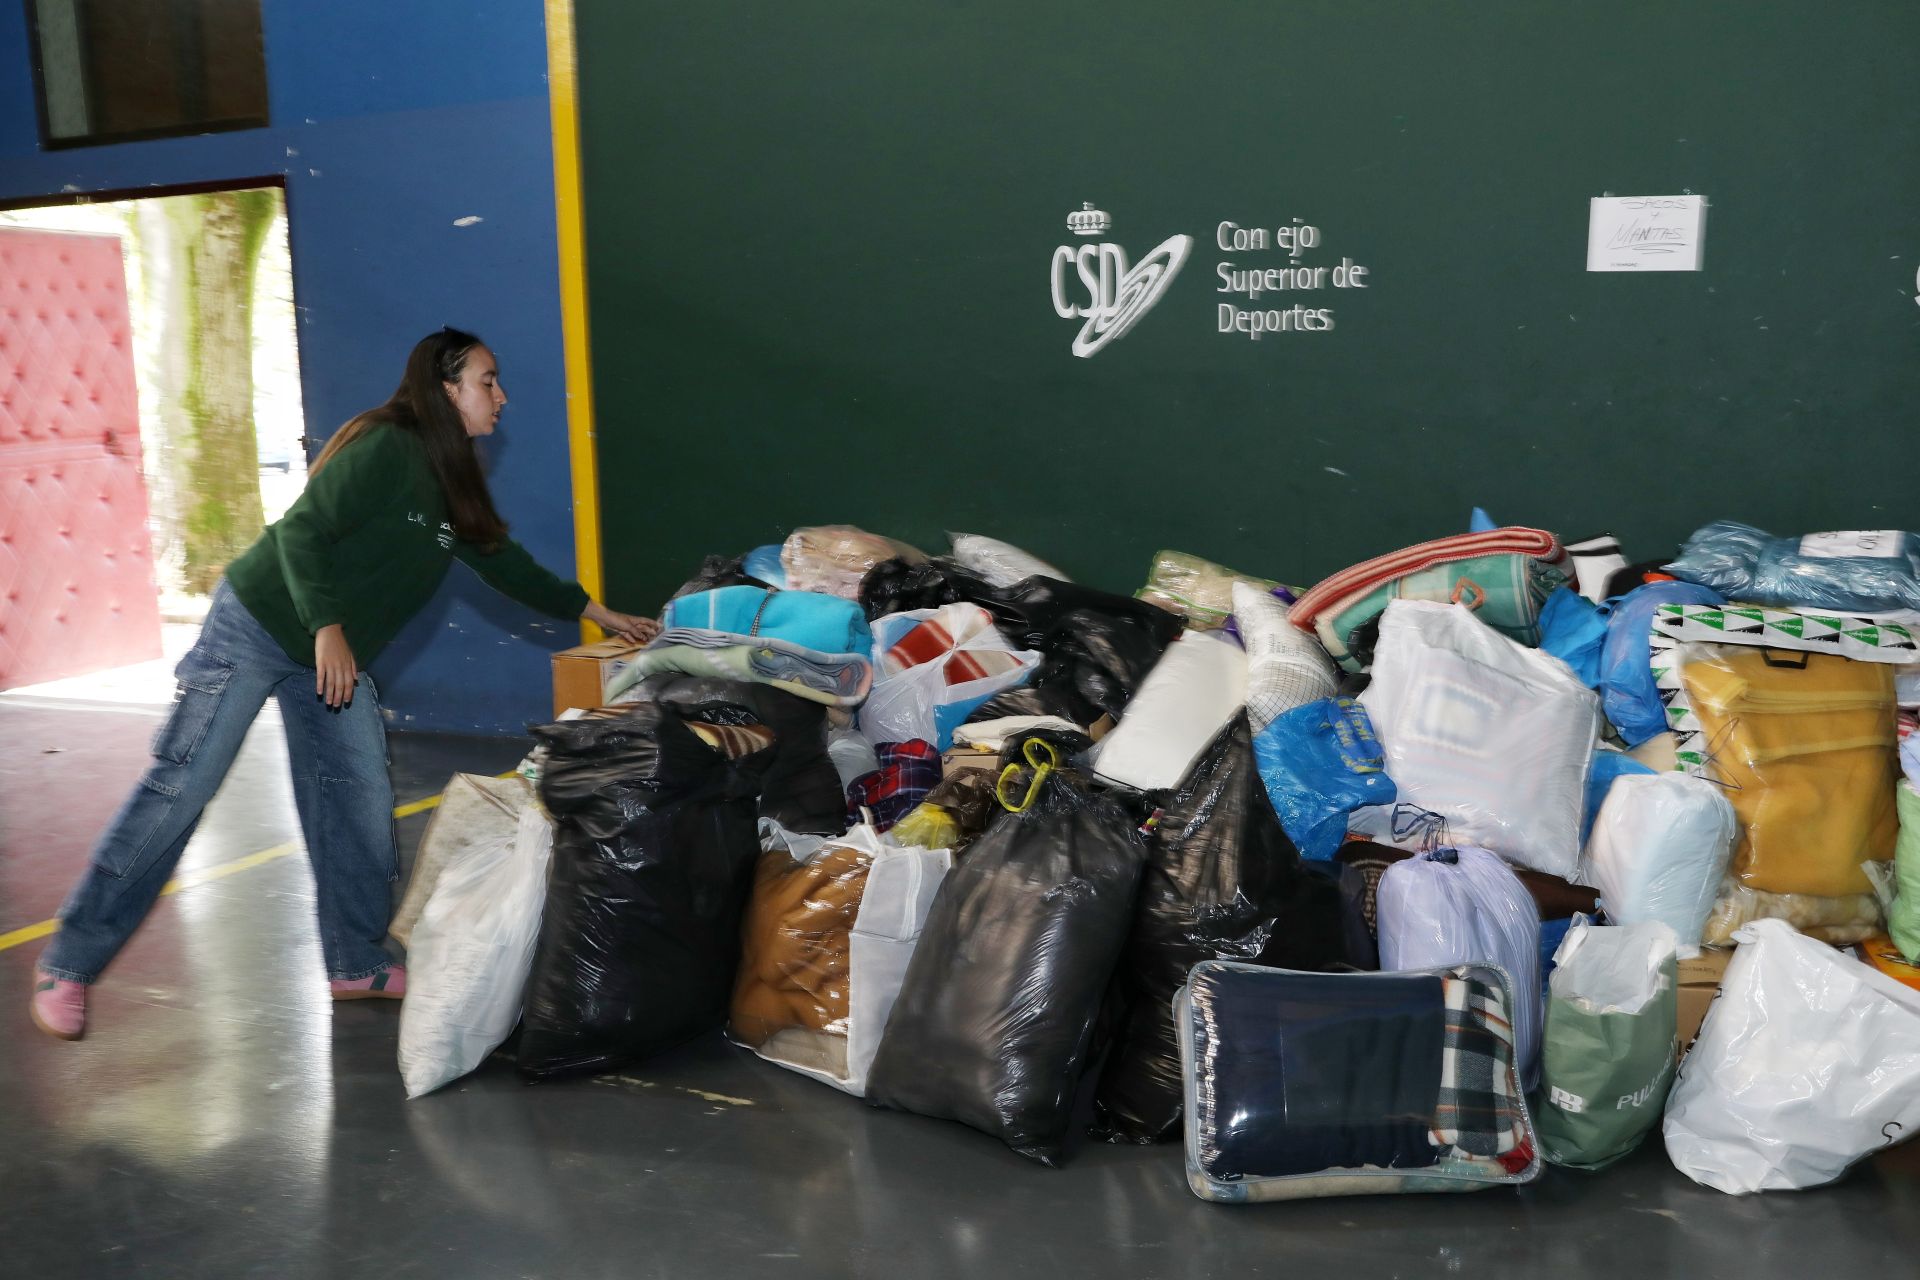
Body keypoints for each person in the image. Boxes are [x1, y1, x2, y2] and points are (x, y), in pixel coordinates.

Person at [29, 327, 659, 1041]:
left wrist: (596, 611)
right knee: (184, 787)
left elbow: (502, 562)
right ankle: (70, 963)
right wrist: (327, 624)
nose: (501, 396)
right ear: (446, 388)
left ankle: (354, 963)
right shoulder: (388, 447)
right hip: (261, 626)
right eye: (488, 381)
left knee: (359, 799)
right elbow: (300, 533)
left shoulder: (451, 478)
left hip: (331, 656)